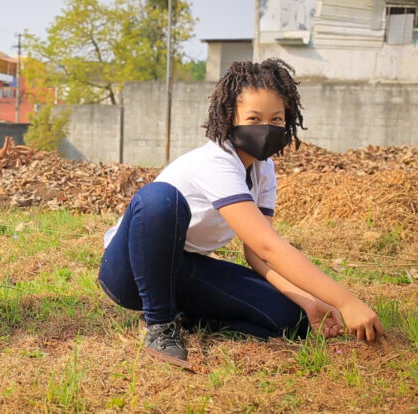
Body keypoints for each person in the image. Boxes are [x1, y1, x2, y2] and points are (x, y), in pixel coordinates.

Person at [98, 59, 384, 368]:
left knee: (293, 321)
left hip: (180, 268)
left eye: (276, 119)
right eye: (253, 117)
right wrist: (346, 301)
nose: (267, 128)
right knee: (160, 198)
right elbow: (268, 247)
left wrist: (310, 301)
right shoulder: (216, 162)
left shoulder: (264, 169)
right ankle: (159, 324)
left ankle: (189, 318)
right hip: (129, 270)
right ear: (229, 117)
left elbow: (258, 255)